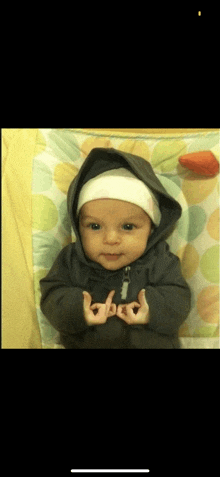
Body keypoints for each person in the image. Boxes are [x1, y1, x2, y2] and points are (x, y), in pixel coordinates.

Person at [40, 147, 191, 348]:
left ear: (151, 230)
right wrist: (77, 309)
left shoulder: (161, 260)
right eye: (95, 226)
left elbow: (179, 299)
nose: (110, 239)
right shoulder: (71, 260)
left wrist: (151, 308)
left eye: (128, 227)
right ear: (78, 227)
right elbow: (52, 296)